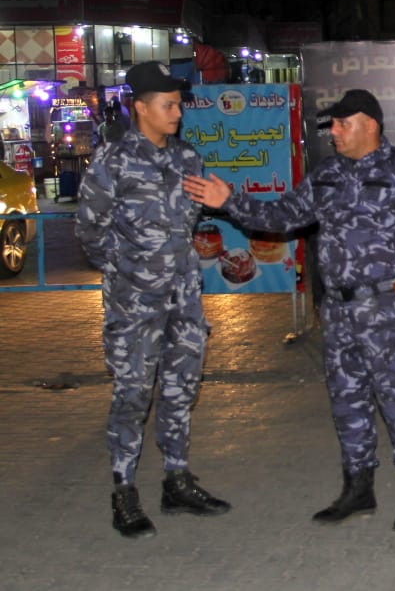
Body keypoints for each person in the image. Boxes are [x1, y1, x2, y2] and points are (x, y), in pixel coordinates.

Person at [183, 89, 395, 532]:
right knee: (347, 402)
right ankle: (358, 487)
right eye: (331, 125)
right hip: (338, 311)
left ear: (368, 124)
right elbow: (281, 217)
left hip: (384, 310)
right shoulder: (326, 174)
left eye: (340, 124)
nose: (333, 132)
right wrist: (229, 201)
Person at [75, 60, 231, 540]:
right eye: (169, 104)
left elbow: (192, 224)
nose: (178, 112)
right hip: (134, 305)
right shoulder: (112, 161)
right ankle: (124, 491)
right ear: (140, 107)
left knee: (182, 388)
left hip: (184, 298)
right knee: (133, 394)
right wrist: (128, 274)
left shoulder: (187, 158)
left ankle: (177, 480)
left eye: (179, 104)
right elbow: (90, 231)